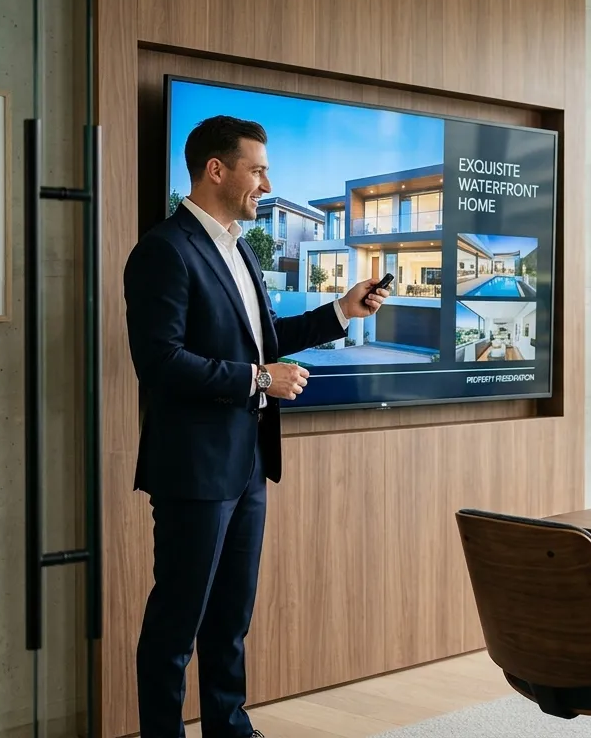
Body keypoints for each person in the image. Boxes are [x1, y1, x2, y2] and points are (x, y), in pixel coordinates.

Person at [124, 115, 388, 738]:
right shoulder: (164, 250)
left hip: (247, 466)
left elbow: (262, 337)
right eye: (258, 170)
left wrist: (340, 311)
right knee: (176, 624)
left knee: (230, 619)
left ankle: (229, 728)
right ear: (217, 170)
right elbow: (159, 363)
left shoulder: (241, 247)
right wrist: (259, 380)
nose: (267, 184)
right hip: (193, 470)